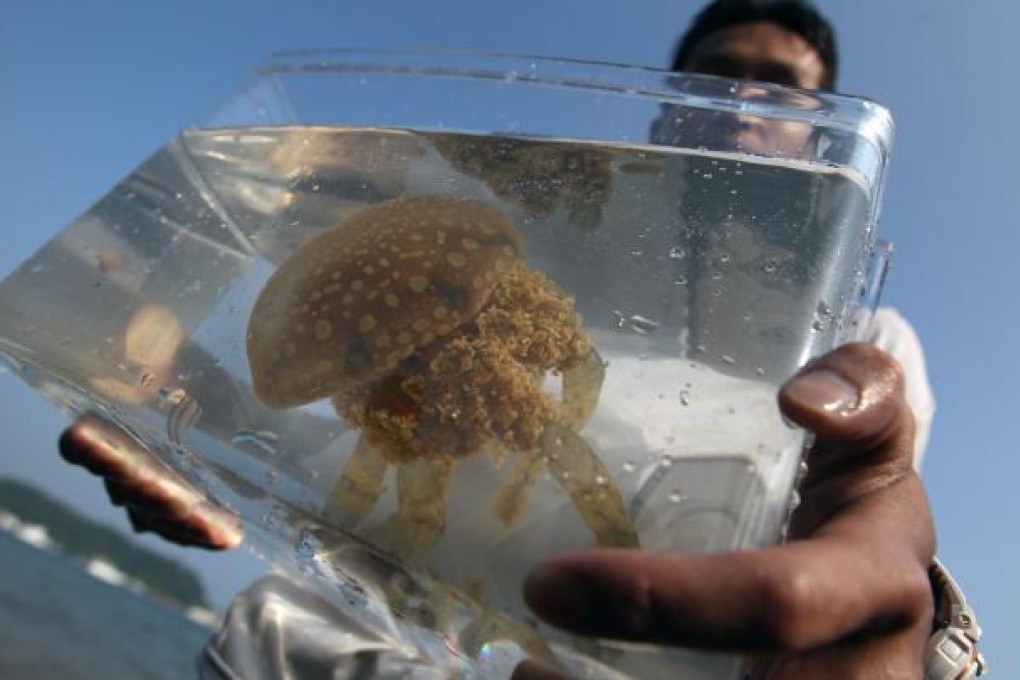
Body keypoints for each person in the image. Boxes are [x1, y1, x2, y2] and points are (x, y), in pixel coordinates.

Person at [59, 1, 981, 677]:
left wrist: (925, 626)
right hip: (302, 656)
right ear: (664, 109)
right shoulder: (531, 219)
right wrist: (198, 436)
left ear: (820, 136)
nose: (738, 104)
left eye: (777, 90)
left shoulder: (864, 339)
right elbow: (311, 449)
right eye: (712, 77)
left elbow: (846, 550)